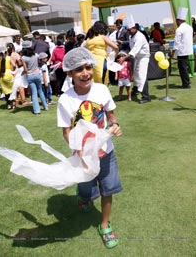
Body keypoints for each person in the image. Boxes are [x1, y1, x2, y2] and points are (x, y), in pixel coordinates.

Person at [57, 47, 122, 249]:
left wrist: (114, 125)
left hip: (106, 152)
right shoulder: (66, 99)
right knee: (87, 190)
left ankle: (104, 225)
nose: (85, 73)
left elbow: (111, 115)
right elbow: (66, 130)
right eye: (78, 69)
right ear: (69, 73)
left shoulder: (101, 90)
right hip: (82, 156)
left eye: (88, 67)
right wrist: (79, 150)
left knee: (107, 189)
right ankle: (83, 196)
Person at [120, 14, 151, 104]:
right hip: (137, 57)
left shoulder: (139, 37)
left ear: (134, 28)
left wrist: (124, 58)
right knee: (136, 75)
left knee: (142, 75)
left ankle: (146, 96)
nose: (128, 31)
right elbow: (131, 49)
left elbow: (134, 50)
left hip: (143, 57)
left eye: (129, 30)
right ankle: (136, 90)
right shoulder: (131, 36)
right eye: (127, 30)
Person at [84, 20, 119, 85]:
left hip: (90, 61)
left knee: (93, 81)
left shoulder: (89, 39)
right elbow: (116, 47)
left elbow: (84, 50)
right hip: (101, 61)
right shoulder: (103, 37)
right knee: (102, 81)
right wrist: (114, 56)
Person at [21, 40, 48, 114]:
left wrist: (22, 73)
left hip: (30, 76)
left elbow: (25, 69)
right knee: (40, 91)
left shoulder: (23, 58)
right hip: (37, 74)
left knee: (34, 93)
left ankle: (37, 110)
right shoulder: (36, 55)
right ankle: (45, 106)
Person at [171, 7, 193, 89]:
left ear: (179, 20)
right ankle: (187, 82)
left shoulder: (179, 29)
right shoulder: (189, 27)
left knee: (182, 68)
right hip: (188, 50)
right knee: (185, 67)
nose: (176, 22)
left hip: (181, 51)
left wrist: (173, 53)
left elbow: (177, 42)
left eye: (176, 20)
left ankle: (186, 84)